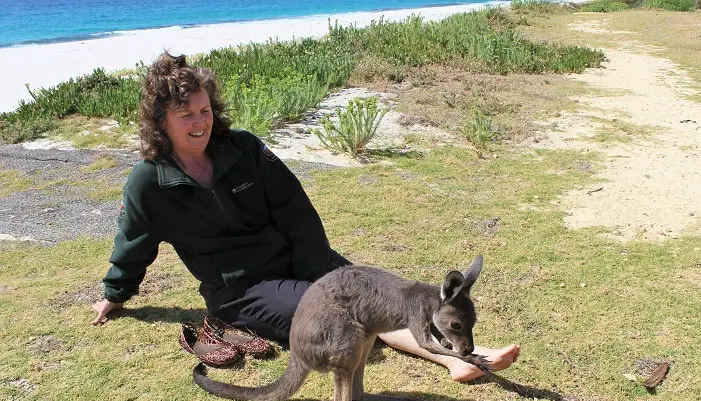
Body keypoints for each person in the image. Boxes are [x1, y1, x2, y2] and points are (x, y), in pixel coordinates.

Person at [91, 52, 520, 383]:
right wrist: (116, 292)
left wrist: (318, 270)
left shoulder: (241, 149)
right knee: (345, 314)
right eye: (186, 115)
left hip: (297, 258)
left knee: (380, 291)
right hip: (244, 289)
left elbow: (295, 208)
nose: (199, 122)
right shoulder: (149, 182)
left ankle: (468, 355)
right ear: (161, 123)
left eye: (204, 111)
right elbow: (134, 241)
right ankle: (455, 361)